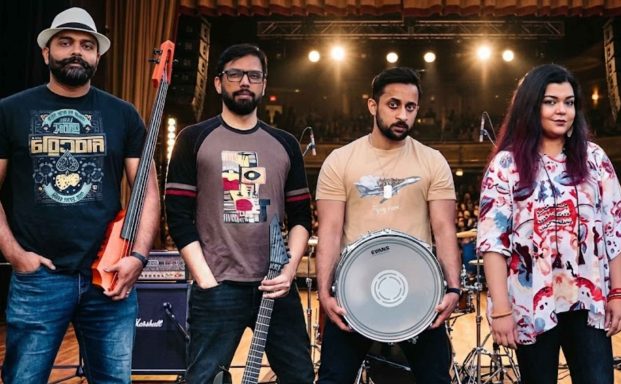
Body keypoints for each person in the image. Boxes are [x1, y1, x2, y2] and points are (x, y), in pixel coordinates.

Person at [0, 7, 160, 383]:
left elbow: (147, 191)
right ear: (46, 52)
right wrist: (15, 255)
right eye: (66, 42)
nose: (76, 51)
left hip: (108, 276)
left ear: (97, 56)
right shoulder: (10, 111)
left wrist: (138, 256)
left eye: (87, 45)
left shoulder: (122, 114)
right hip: (39, 279)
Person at [476, 63, 621, 384]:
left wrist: (618, 292)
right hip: (529, 302)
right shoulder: (506, 165)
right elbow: (493, 243)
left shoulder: (594, 158)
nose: (561, 110)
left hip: (588, 303)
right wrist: (502, 310)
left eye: (569, 101)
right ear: (531, 105)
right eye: (550, 101)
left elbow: (615, 230)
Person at [165, 43, 314, 383]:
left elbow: (302, 218)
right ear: (218, 83)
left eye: (254, 75)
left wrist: (288, 273)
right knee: (202, 378)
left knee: (300, 376)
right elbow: (178, 215)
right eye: (235, 74)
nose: (244, 81)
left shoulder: (286, 143)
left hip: (275, 286)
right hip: (218, 286)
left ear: (263, 84)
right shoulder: (192, 138)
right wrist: (205, 279)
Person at [315, 67, 461, 383]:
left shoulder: (432, 160)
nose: (402, 115)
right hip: (353, 293)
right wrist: (324, 294)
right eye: (393, 105)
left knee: (435, 378)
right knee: (333, 377)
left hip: (419, 295)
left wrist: (452, 288)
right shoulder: (340, 160)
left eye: (410, 107)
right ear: (373, 105)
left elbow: (444, 228)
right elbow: (328, 230)